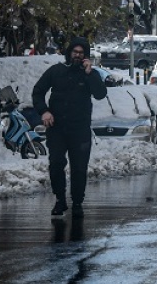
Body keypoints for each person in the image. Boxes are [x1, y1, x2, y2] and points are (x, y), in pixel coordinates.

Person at [32, 37, 107, 218]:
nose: (77, 55)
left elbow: (100, 94)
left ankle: (77, 202)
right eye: (75, 52)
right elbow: (38, 91)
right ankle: (60, 200)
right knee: (56, 163)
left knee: (79, 167)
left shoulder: (90, 74)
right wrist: (44, 111)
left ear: (86, 56)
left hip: (80, 129)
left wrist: (90, 73)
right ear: (69, 53)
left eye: (81, 53)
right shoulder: (56, 71)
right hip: (57, 127)